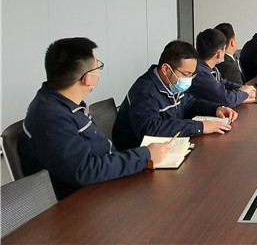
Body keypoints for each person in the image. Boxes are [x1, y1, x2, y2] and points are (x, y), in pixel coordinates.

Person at [18, 37, 171, 200]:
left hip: (104, 186)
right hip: (81, 202)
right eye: (98, 66)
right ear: (87, 78)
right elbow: (85, 170)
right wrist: (145, 155)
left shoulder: (62, 103)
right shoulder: (51, 118)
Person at [112, 40, 237, 151]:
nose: (189, 79)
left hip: (167, 145)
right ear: (166, 69)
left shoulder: (171, 83)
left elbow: (190, 104)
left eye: (192, 74)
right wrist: (200, 126)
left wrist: (216, 109)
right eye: (186, 74)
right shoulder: (144, 92)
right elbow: (151, 129)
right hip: (139, 156)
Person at [189, 28, 256, 107]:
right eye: (224, 49)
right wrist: (244, 93)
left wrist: (243, 88)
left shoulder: (212, 68)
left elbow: (225, 83)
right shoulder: (200, 73)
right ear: (219, 53)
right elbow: (227, 100)